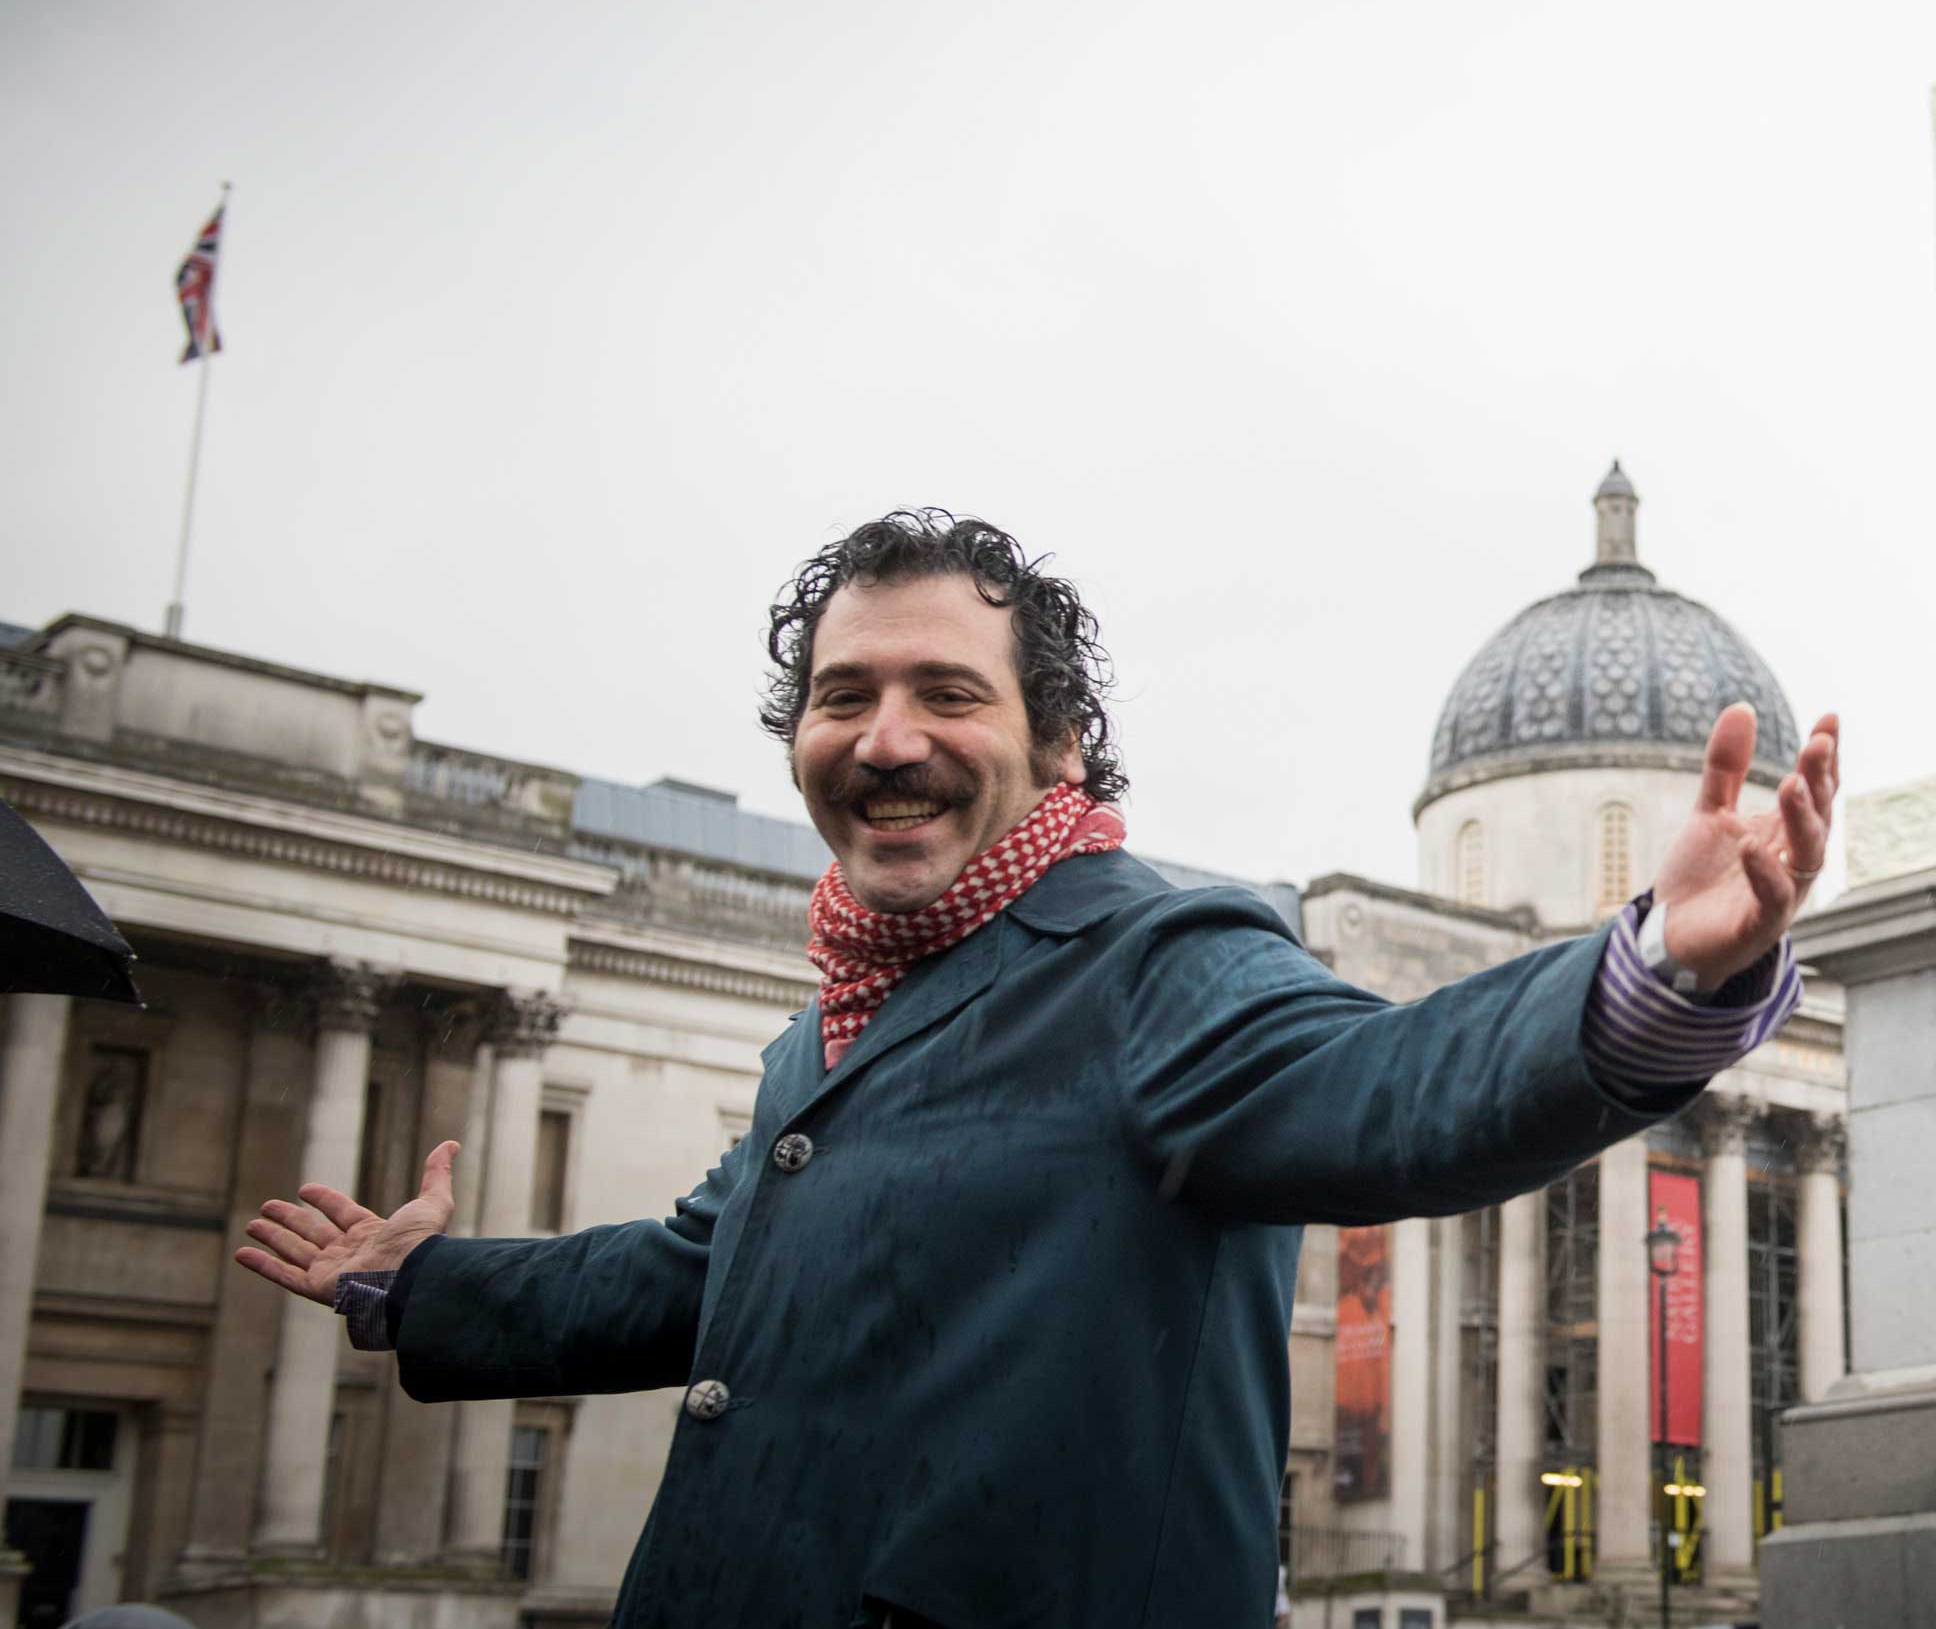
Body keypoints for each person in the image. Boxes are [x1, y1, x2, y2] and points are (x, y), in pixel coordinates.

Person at [230, 511, 1841, 1629]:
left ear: (1059, 746)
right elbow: (692, 1274)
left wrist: (1650, 970)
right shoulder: (829, 1027)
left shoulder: (1158, 960)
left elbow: (1402, 1088)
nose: (887, 735)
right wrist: (418, 1287)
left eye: (949, 691)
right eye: (843, 695)